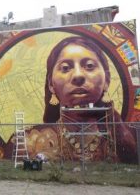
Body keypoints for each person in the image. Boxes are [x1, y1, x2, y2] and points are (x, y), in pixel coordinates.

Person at [7, 36, 137, 163]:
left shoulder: (133, 137)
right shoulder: (26, 141)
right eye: (65, 68)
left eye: (89, 66)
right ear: (51, 84)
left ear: (107, 79)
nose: (78, 75)